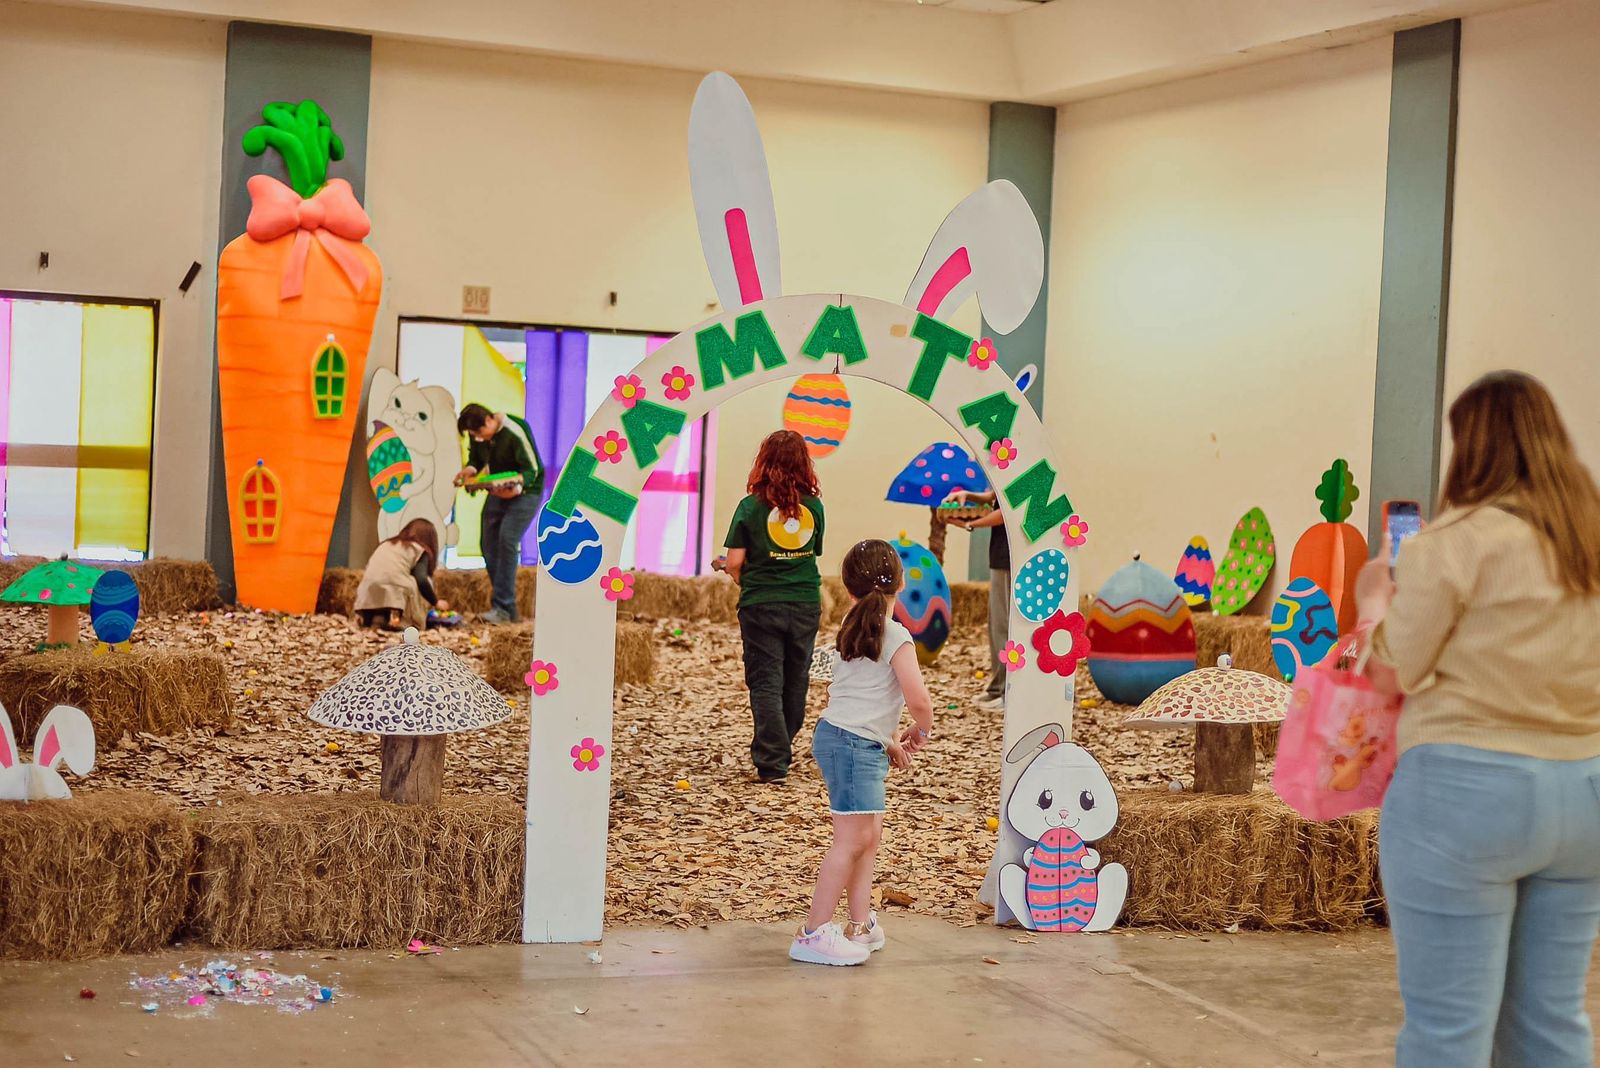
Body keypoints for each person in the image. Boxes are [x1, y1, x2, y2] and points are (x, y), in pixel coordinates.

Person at [1354, 371, 1600, 1067]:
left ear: (1473, 446)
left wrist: (1374, 603)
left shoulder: (1453, 542)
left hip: (1466, 795)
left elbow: (1387, 674)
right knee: (1552, 1025)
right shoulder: (1588, 538)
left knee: (1448, 1033)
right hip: (1585, 792)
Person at [791, 538, 934, 966]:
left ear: (849, 589)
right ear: (901, 584)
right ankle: (813, 933)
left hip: (849, 739)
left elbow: (859, 698)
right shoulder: (894, 634)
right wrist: (920, 733)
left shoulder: (854, 627)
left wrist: (887, 741)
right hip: (852, 745)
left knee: (868, 838)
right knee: (852, 840)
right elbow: (919, 701)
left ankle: (858, 925)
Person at [723, 430, 825, 784]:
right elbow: (811, 552)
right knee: (796, 679)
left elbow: (736, 561)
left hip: (761, 605)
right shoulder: (814, 507)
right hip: (804, 603)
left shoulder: (750, 506)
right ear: (804, 464)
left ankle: (772, 761)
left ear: (763, 462)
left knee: (765, 681)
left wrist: (734, 574)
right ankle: (782, 742)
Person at [455, 403, 543, 624]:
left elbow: (531, 470)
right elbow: (476, 461)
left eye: (477, 432)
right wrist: (468, 472)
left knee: (507, 539)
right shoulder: (480, 437)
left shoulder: (514, 430)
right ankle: (507, 607)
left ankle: (503, 607)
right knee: (488, 543)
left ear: (488, 421)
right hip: (497, 490)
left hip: (526, 492)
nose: (477, 438)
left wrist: (514, 488)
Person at [945, 488, 1009, 711]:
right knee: (996, 626)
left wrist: (970, 524)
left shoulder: (1022, 465)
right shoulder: (1003, 468)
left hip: (1012, 557)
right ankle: (997, 686)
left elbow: (1006, 512)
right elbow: (995, 495)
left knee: (1005, 627)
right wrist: (968, 495)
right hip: (999, 555)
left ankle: (1008, 692)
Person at [354, 518, 449, 631]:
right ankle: (403, 622)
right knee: (417, 582)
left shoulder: (387, 544)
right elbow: (421, 579)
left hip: (368, 592)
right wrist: (436, 601)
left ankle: (375, 619)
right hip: (394, 597)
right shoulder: (419, 549)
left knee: (391, 583)